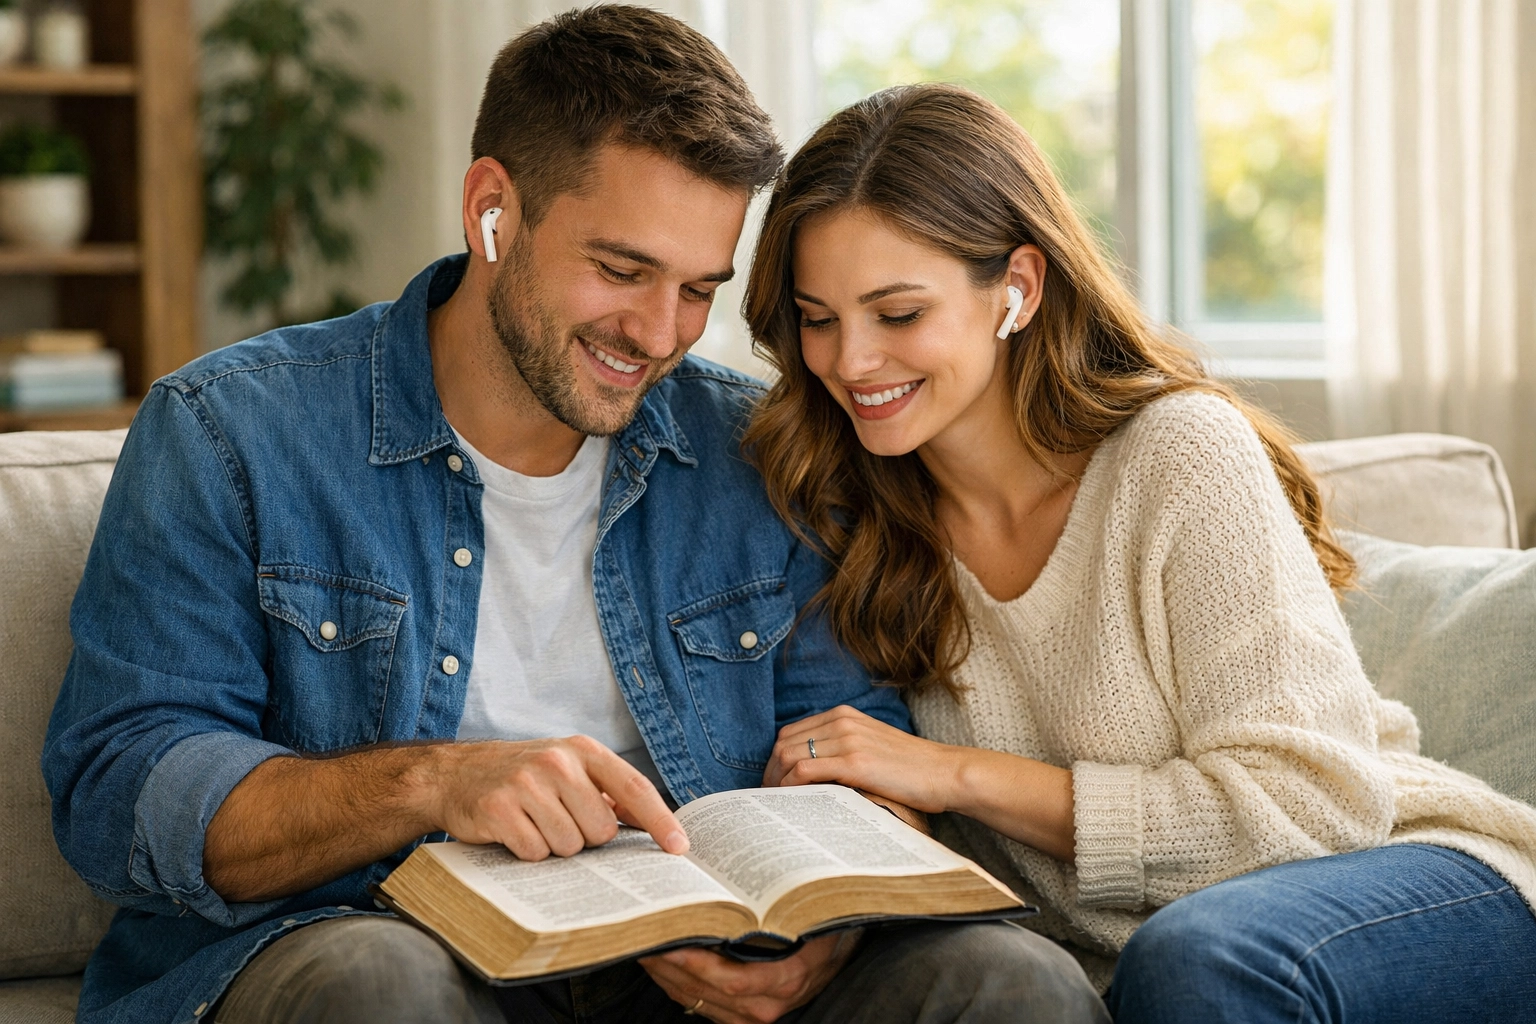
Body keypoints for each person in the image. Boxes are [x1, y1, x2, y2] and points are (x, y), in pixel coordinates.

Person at [41, 16, 1110, 1024]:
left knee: (1010, 978)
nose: (658, 334)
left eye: (698, 288)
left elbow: (862, 755)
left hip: (681, 976)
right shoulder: (231, 433)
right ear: (491, 210)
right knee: (377, 978)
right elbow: (121, 788)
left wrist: (825, 935)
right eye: (621, 269)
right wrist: (435, 783)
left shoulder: (759, 455)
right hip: (378, 944)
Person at [743, 82, 1536, 1023]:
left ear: (1018, 289)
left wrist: (953, 773)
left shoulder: (1176, 454)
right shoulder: (851, 515)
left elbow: (1312, 808)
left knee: (1199, 958)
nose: (850, 361)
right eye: (818, 318)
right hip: (1142, 963)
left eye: (899, 314)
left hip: (1398, 883)